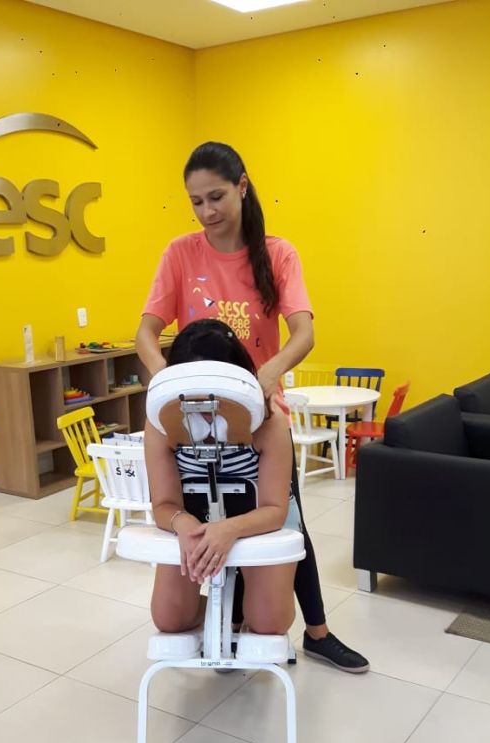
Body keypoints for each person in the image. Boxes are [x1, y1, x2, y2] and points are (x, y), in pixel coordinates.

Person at [136, 140, 368, 672]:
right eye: (196, 202)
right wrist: (168, 382)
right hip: (193, 413)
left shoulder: (277, 253)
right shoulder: (180, 253)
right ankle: (229, 624)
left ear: (242, 186)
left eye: (216, 197)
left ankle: (316, 632)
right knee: (207, 513)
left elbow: (304, 332)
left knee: (285, 522)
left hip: (259, 415)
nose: (207, 211)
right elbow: (146, 333)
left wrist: (268, 373)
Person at [145, 319, 298, 637]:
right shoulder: (161, 424)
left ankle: (244, 603)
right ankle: (224, 611)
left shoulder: (270, 423)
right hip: (195, 520)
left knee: (270, 622)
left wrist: (230, 529)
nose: (205, 406)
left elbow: (274, 509)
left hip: (259, 519)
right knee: (169, 619)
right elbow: (162, 504)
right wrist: (183, 524)